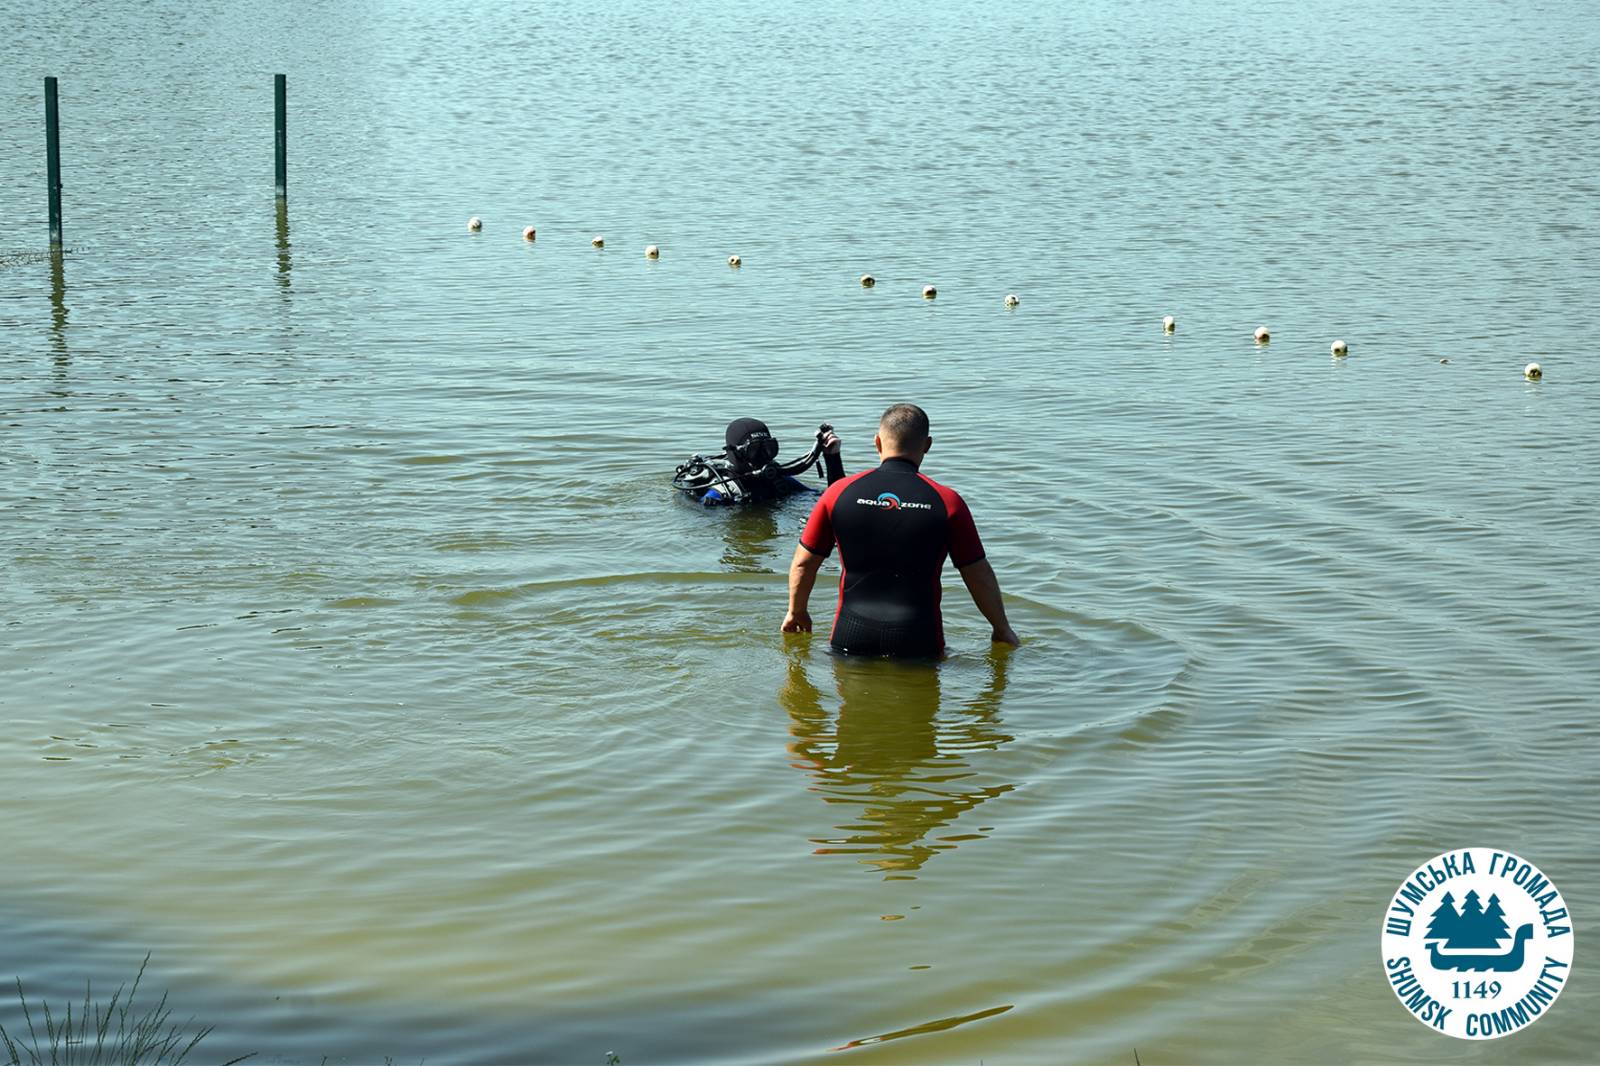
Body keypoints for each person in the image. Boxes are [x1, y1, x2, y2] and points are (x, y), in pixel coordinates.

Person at [782, 403, 1019, 657]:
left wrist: (796, 612)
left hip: (851, 633)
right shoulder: (948, 502)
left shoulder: (838, 494)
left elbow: (803, 564)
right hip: (918, 638)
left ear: (877, 442)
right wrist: (1001, 628)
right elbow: (978, 573)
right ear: (927, 445)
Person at [672, 418, 844, 505]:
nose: (763, 457)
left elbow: (835, 501)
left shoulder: (779, 481)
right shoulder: (719, 494)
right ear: (736, 453)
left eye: (768, 448)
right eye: (754, 450)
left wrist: (832, 457)